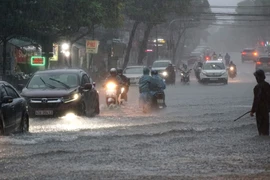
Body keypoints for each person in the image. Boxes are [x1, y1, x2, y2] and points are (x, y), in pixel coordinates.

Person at [250, 69, 270, 136]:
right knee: (266, 127)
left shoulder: (257, 87)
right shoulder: (268, 85)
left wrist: (252, 111)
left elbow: (256, 100)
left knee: (260, 128)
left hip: (260, 110)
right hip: (266, 110)